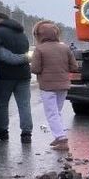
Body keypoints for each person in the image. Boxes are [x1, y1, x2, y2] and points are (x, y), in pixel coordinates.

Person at [31, 21, 78, 151]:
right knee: (57, 112)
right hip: (63, 85)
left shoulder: (39, 49)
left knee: (52, 114)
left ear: (40, 35)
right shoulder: (65, 48)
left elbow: (35, 69)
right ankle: (59, 136)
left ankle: (62, 139)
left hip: (47, 86)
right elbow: (74, 67)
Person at [0, 13, 32, 142]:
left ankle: (3, 131)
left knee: (2, 104)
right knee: (24, 105)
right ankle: (26, 133)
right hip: (24, 74)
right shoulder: (22, 34)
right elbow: (26, 51)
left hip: (6, 76)